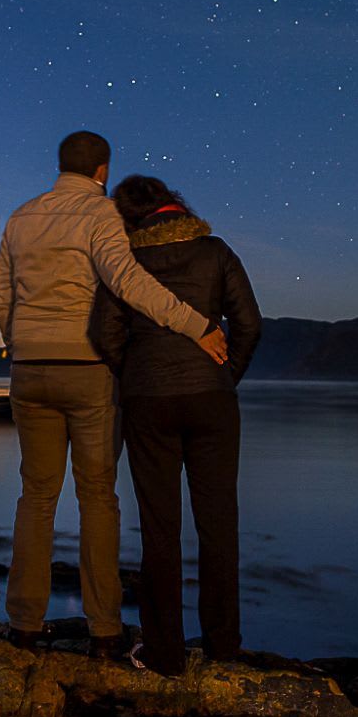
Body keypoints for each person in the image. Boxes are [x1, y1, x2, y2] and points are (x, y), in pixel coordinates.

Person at [0, 131, 230, 658]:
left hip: (30, 371)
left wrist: (20, 340)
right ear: (102, 171)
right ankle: (104, 630)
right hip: (88, 369)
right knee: (97, 497)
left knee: (36, 497)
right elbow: (127, 282)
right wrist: (197, 325)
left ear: (61, 166)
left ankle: (24, 625)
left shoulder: (20, 217)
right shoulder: (100, 215)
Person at [91, 174, 261, 676]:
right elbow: (248, 323)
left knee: (159, 528)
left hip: (149, 402)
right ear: (174, 205)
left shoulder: (126, 263)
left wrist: (137, 372)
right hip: (211, 398)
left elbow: (105, 334)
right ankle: (223, 646)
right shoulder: (216, 251)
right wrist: (227, 374)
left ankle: (165, 652)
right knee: (218, 524)